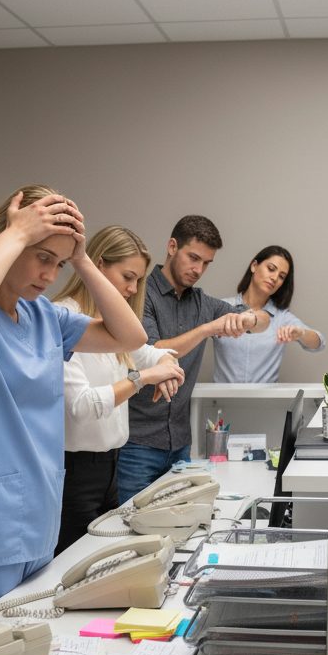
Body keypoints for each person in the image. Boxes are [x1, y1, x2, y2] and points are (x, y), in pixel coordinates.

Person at [0, 186, 148, 627]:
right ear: (9, 238)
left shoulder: (46, 318)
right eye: (43, 257)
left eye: (58, 265)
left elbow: (131, 336)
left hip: (39, 527)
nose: (50, 275)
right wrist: (17, 232)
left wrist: (82, 260)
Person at [52, 226, 186, 555]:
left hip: (111, 471)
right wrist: (142, 378)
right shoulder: (64, 317)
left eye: (138, 280)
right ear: (98, 265)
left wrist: (166, 366)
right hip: (75, 476)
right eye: (127, 276)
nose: (132, 288)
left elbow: (152, 352)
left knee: (106, 567)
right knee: (73, 569)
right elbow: (81, 407)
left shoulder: (114, 328)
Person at [117, 215, 271, 503]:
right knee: (132, 531)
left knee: (178, 529)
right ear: (173, 247)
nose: (198, 269)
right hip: (136, 445)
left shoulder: (203, 302)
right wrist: (207, 329)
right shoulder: (139, 293)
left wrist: (250, 317)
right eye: (193, 258)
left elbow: (264, 321)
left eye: (206, 263)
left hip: (180, 444)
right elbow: (153, 351)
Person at [213, 245, 325, 382]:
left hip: (266, 401)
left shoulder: (282, 317)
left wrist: (300, 333)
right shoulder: (221, 308)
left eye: (281, 276)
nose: (274, 278)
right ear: (254, 266)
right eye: (271, 269)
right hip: (222, 399)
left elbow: (319, 343)